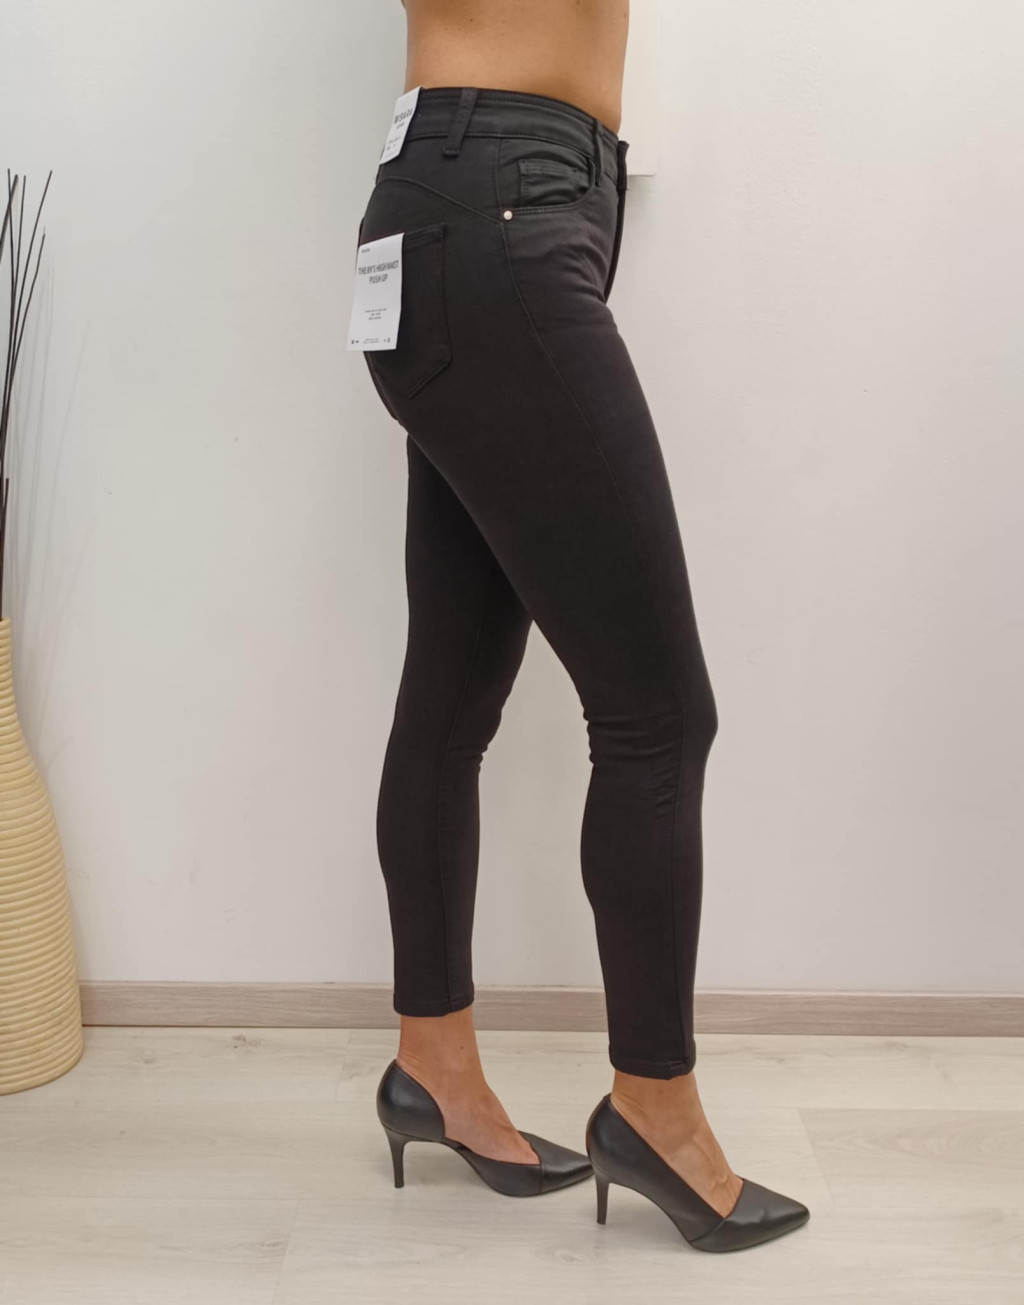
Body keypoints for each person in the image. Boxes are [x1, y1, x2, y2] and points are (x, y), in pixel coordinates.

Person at [360, 0, 809, 1250]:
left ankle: (432, 1068)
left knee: (454, 692)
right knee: (657, 713)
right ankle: (654, 1107)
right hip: (492, 205)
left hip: (505, 204)